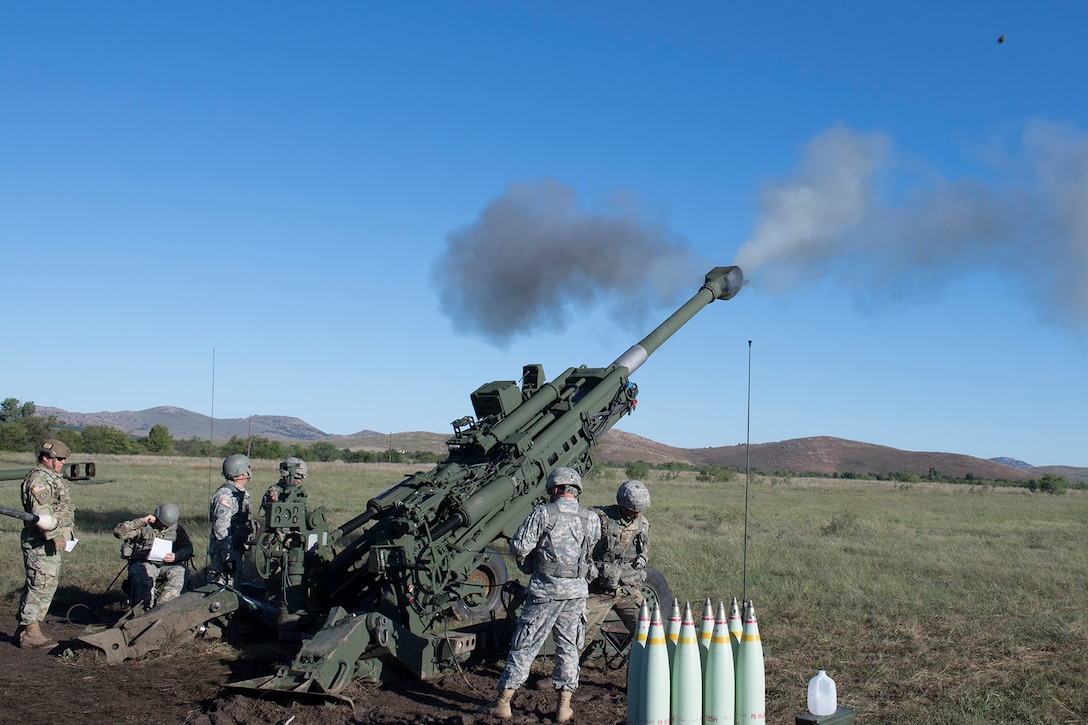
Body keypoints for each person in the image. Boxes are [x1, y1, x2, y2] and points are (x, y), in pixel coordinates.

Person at [488, 467, 601, 723]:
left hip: (545, 593)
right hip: (575, 594)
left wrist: (529, 563)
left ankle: (503, 703)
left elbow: (520, 546)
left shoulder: (542, 513)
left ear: (555, 489)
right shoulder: (591, 518)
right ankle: (563, 706)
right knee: (569, 647)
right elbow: (590, 551)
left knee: (525, 645)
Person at [15, 439, 76, 649]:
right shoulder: (39, 479)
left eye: (64, 459)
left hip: (48, 542)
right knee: (40, 585)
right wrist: (56, 533)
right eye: (59, 459)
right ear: (45, 458)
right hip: (41, 542)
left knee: (42, 584)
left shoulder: (51, 477)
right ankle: (30, 632)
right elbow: (41, 512)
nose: (62, 463)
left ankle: (26, 628)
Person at [582, 479, 651, 660]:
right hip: (598, 591)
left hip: (627, 590)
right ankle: (562, 677)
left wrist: (640, 563)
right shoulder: (598, 518)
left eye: (639, 511)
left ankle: (641, 674)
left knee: (649, 632)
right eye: (632, 510)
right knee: (578, 636)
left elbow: (643, 552)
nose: (636, 514)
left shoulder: (642, 524)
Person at [257, 457, 311, 626]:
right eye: (296, 477)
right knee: (275, 582)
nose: (298, 480)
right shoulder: (275, 492)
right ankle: (270, 618)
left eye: (300, 478)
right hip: (278, 543)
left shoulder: (297, 492)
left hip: (293, 544)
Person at [113, 502, 194, 610]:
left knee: (180, 571)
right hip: (143, 563)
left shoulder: (176, 529)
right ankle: (143, 609)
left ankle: (164, 607)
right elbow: (119, 533)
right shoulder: (144, 526)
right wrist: (140, 522)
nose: (164, 527)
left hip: (166, 565)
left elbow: (187, 548)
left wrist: (176, 556)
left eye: (167, 526)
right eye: (162, 524)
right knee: (146, 572)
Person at [207, 453, 255, 587]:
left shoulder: (240, 492)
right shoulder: (226, 495)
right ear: (241, 472)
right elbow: (221, 528)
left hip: (235, 548)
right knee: (220, 588)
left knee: (235, 587)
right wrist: (228, 556)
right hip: (225, 552)